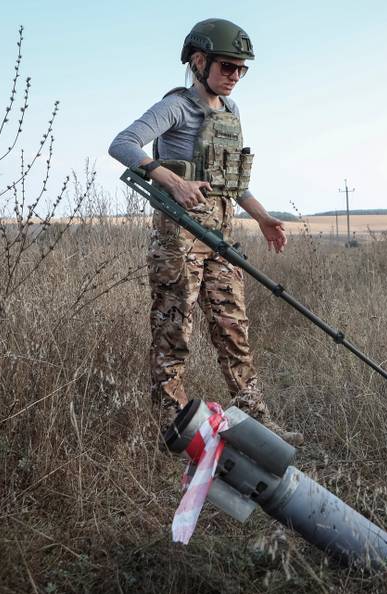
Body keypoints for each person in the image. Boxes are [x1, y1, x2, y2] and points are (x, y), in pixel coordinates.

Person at [109, 18, 303, 445]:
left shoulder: (232, 112)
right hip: (178, 240)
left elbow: (232, 181)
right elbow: (123, 144)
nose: (234, 77)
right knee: (174, 333)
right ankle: (173, 431)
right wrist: (171, 181)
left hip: (220, 237)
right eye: (226, 67)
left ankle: (257, 424)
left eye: (241, 70)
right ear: (199, 61)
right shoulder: (177, 106)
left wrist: (262, 216)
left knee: (234, 330)